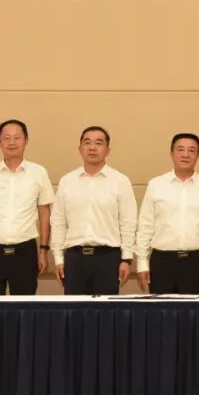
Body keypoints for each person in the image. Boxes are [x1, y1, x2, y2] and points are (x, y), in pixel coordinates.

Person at [0, 119, 54, 295]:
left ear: (26, 140)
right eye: (6, 138)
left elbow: (45, 214)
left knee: (23, 307)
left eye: (17, 137)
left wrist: (43, 251)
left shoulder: (38, 173)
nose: (12, 142)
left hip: (25, 251)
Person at [51, 126, 137, 295]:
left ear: (108, 150)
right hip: (74, 258)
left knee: (105, 310)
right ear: (80, 149)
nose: (92, 147)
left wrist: (126, 259)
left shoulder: (120, 181)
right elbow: (58, 222)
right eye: (87, 142)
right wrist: (58, 258)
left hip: (108, 258)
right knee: (74, 310)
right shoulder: (67, 181)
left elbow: (128, 222)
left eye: (98, 143)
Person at [136, 133, 199, 294]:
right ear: (171, 153)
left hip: (197, 263)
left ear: (198, 155)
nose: (185, 154)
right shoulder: (155, 184)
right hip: (162, 263)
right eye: (180, 149)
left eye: (191, 150)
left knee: (194, 310)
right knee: (161, 310)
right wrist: (142, 263)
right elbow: (145, 227)